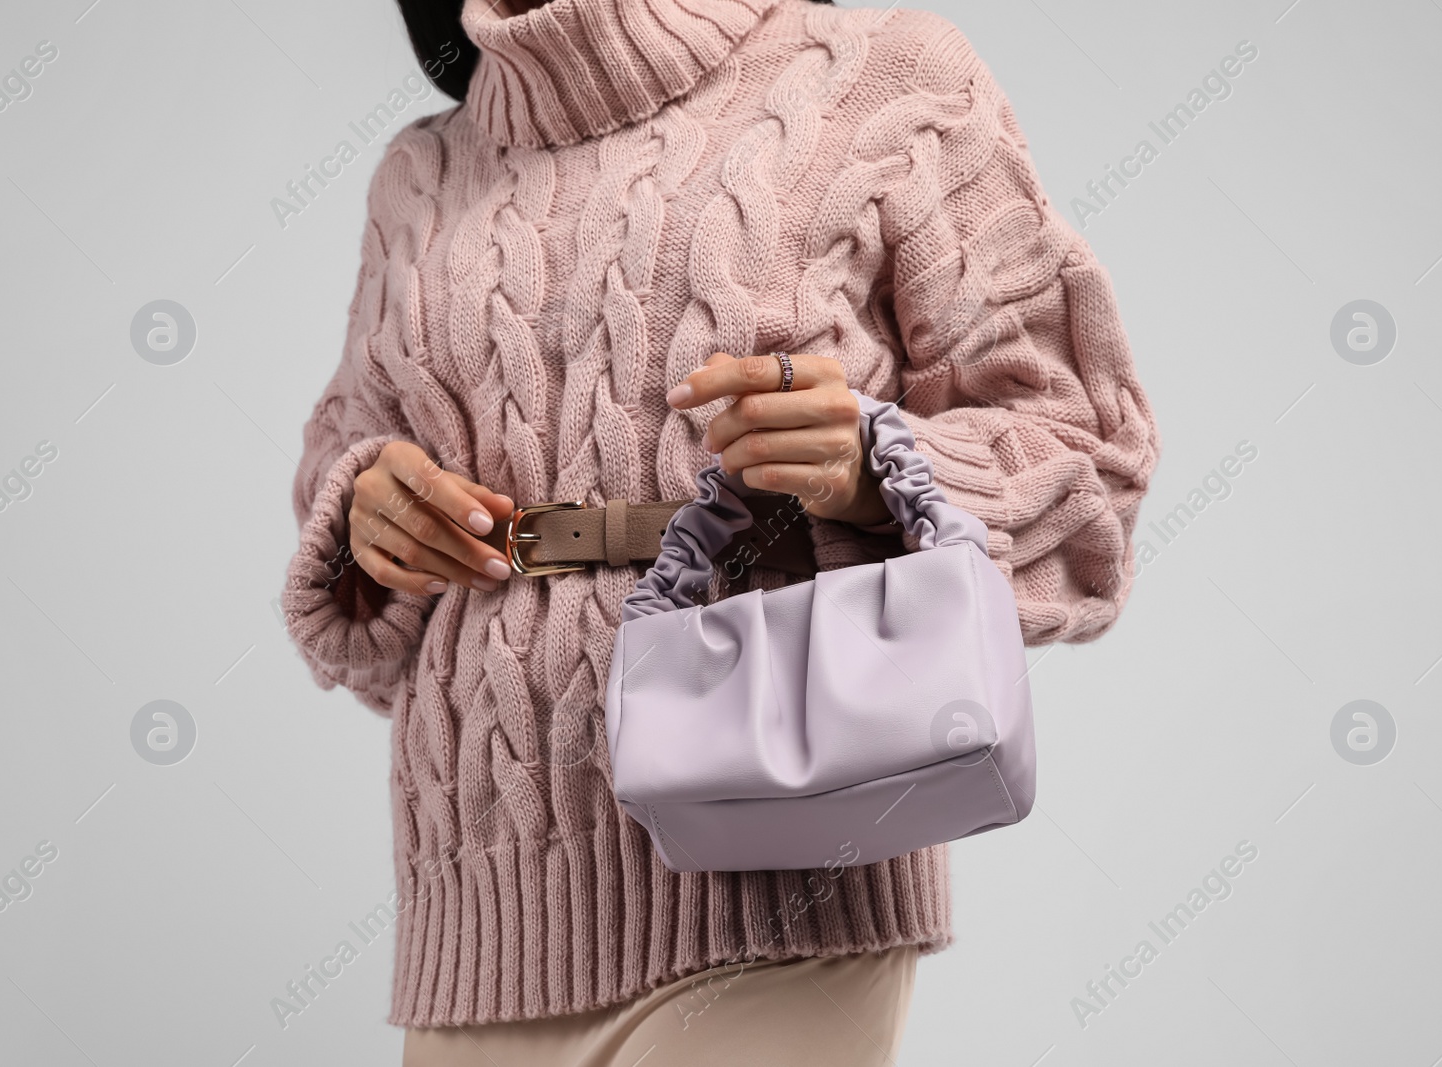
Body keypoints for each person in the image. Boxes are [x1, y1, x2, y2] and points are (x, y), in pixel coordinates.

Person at [279, 0, 1160, 1061]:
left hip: (789, 859)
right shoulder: (417, 176)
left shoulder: (890, 77)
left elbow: (1082, 448)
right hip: (484, 897)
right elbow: (346, 468)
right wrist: (364, 508)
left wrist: (879, 468)